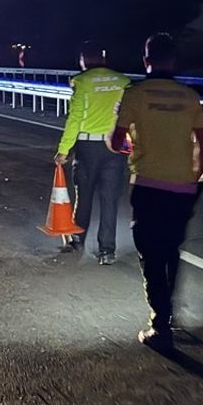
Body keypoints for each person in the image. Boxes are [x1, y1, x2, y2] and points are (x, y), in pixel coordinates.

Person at [108, 33, 203, 348]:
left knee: (150, 254)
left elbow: (115, 142)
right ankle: (168, 314)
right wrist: (195, 176)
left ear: (145, 60)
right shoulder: (189, 97)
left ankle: (160, 324)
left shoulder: (135, 95)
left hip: (149, 185)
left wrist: (128, 143)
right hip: (183, 186)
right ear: (174, 60)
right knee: (170, 250)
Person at [56, 42, 131, 264]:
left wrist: (63, 150)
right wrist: (128, 150)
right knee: (110, 200)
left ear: (83, 60)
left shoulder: (81, 81)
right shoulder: (123, 81)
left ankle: (77, 240)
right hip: (116, 147)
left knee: (84, 196)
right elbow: (128, 119)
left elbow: (75, 119)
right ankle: (107, 251)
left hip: (88, 147)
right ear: (104, 58)